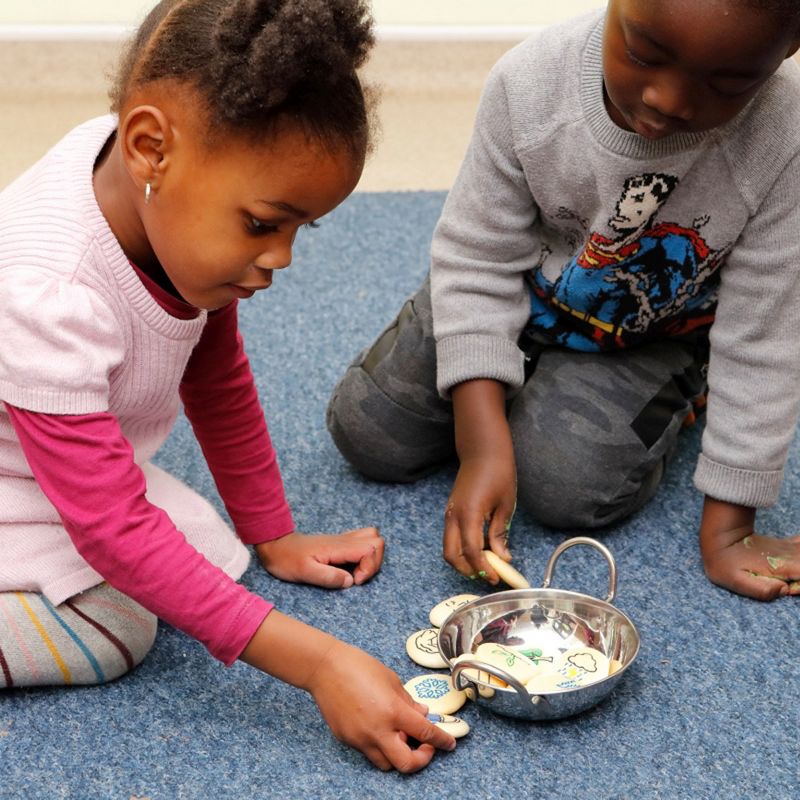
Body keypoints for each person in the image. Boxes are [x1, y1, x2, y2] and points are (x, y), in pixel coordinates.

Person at [0, 0, 457, 773]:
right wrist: (317, 663)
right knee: (119, 628)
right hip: (21, 483)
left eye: (298, 230)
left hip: (56, 456)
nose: (280, 259)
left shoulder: (150, 190)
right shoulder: (48, 294)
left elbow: (217, 375)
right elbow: (112, 530)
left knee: (206, 558)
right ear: (150, 149)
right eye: (260, 224)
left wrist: (272, 534)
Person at [327, 0, 800, 602]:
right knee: (367, 433)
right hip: (519, 288)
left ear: (789, 49)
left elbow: (765, 335)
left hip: (654, 333)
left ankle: (682, 391)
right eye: (644, 54)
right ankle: (491, 362)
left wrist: (731, 530)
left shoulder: (786, 143)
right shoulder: (528, 84)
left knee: (565, 487)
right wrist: (482, 443)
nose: (668, 100)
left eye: (728, 82)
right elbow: (478, 256)